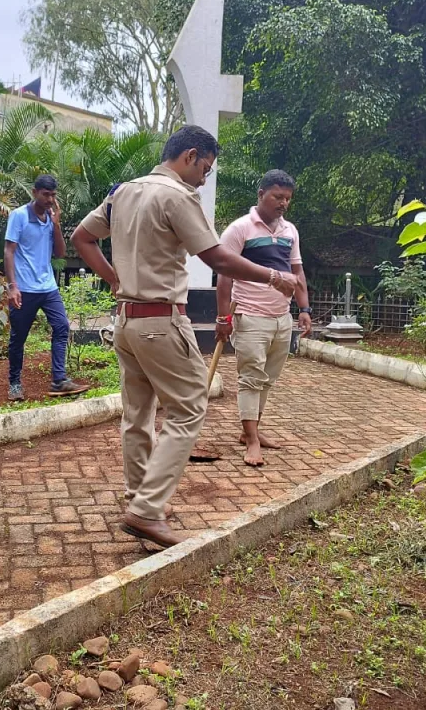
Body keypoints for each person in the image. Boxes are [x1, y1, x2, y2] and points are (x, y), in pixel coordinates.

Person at [71, 125, 297, 548]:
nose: (204, 179)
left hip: (125, 321)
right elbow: (214, 257)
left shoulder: (123, 192)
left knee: (137, 413)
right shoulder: (176, 195)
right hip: (161, 322)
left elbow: (81, 237)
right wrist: (272, 276)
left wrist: (114, 278)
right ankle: (146, 510)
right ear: (190, 155)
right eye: (206, 169)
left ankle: (140, 494)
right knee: (191, 406)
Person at [215, 169, 312, 467]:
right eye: (277, 197)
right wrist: (222, 318)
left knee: (267, 380)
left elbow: (297, 273)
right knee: (250, 379)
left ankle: (250, 432)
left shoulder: (290, 231)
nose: (283, 203)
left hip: (282, 318)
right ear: (261, 194)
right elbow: (224, 275)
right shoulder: (239, 229)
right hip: (250, 316)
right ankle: (253, 439)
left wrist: (304, 308)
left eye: (287, 199)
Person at [4, 174, 88, 401]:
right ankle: (14, 384)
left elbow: (59, 253)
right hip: (24, 288)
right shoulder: (19, 216)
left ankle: (59, 380)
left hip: (48, 287)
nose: (50, 199)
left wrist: (57, 224)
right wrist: (12, 286)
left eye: (53, 195)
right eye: (46, 194)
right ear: (34, 192)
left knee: (61, 327)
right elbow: (9, 251)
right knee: (18, 337)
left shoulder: (51, 219)